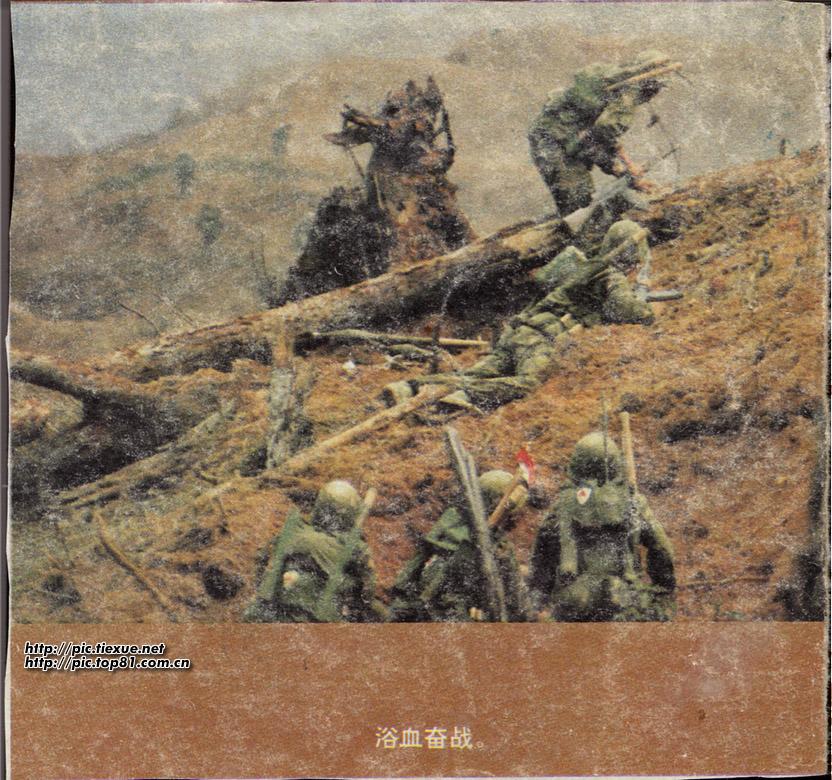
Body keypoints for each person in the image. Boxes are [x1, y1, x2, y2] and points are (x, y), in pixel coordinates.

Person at [383, 219, 654, 411]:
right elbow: (631, 311)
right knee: (529, 382)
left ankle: (409, 387)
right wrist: (643, 296)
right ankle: (465, 395)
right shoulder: (610, 276)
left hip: (518, 331)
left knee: (478, 372)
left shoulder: (582, 265)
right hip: (540, 340)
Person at [529, 431, 676, 621]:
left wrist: (540, 601)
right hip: (624, 599)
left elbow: (542, 560)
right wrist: (663, 590)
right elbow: (662, 548)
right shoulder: (634, 503)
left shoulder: (561, 507)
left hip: (574, 604)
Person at [528, 50, 677, 218]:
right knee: (578, 205)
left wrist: (625, 169)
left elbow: (600, 138)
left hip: (561, 138)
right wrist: (622, 169)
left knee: (583, 204)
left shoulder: (615, 89)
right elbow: (596, 138)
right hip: (554, 142)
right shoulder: (625, 95)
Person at [389, 470, 531, 622]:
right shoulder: (499, 547)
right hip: (450, 610)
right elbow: (517, 603)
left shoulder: (451, 518)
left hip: (425, 598)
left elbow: (414, 564)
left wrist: (402, 595)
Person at [243, 480, 383, 622]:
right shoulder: (356, 547)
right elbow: (368, 589)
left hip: (272, 609)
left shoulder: (294, 530)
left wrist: (261, 588)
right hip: (317, 616)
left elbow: (262, 558)